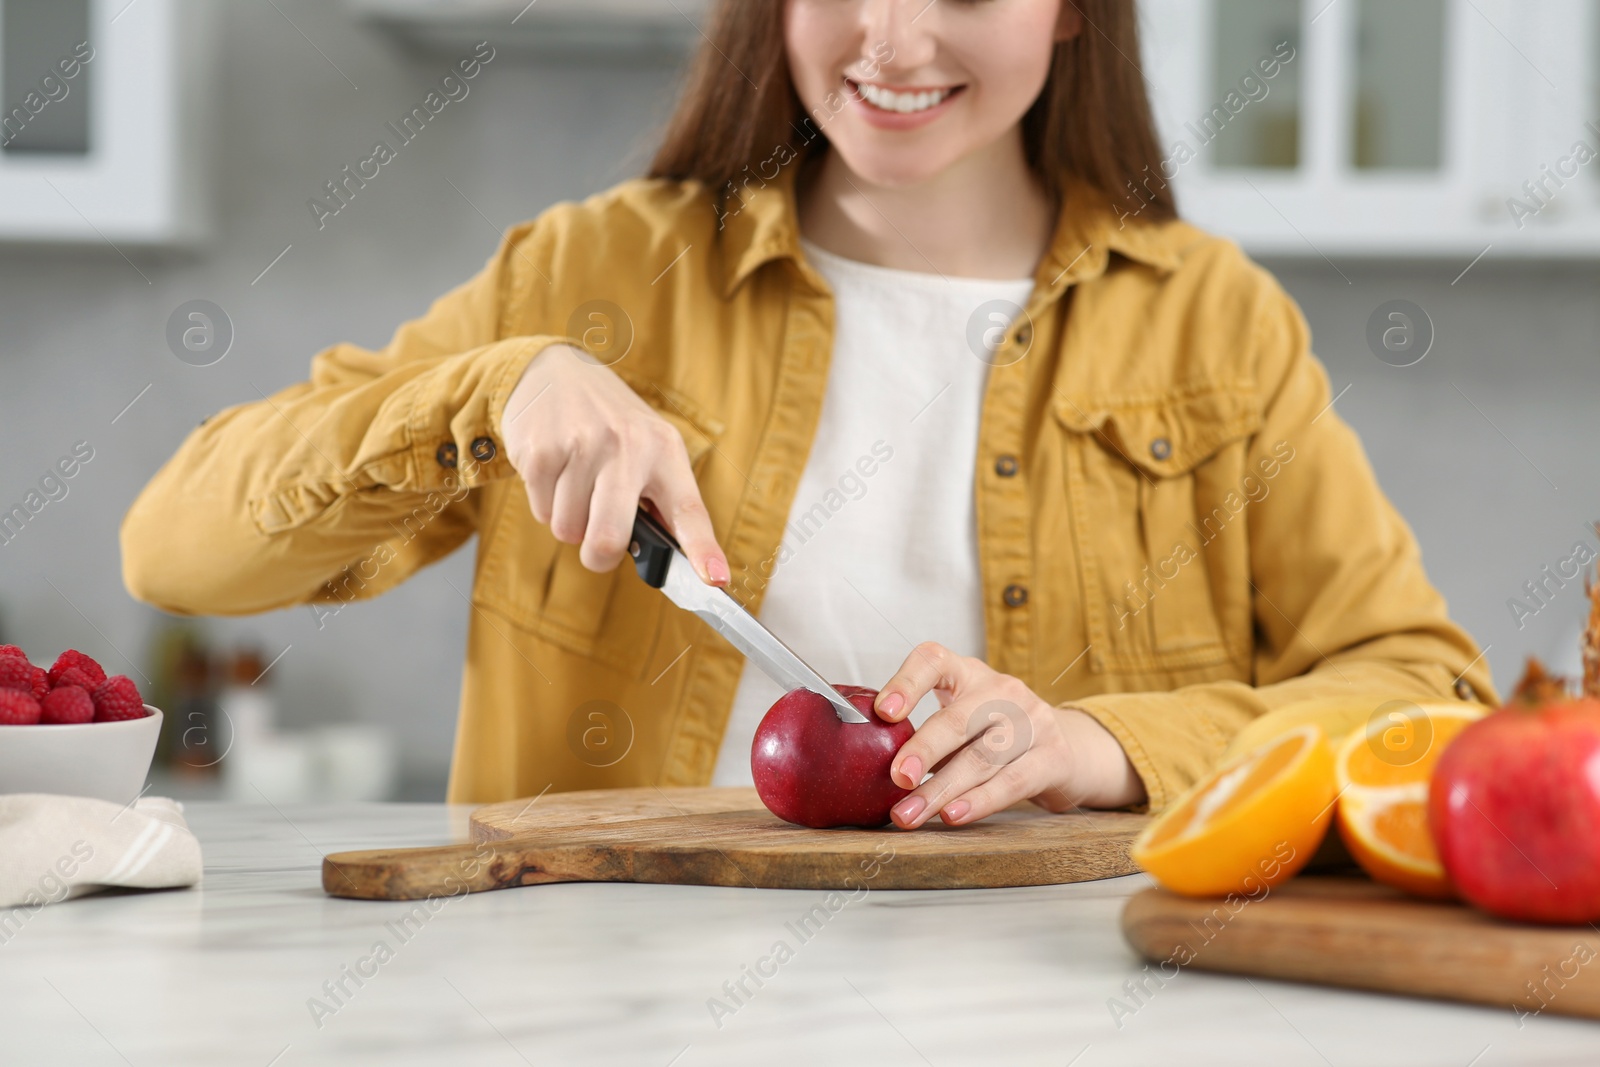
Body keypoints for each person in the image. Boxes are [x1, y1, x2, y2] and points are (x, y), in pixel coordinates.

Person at [121, 0, 1493, 828]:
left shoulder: (1214, 320)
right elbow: (176, 552)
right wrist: (494, 388)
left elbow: (1422, 695)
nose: (891, 39)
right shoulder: (589, 271)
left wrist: (1103, 748)